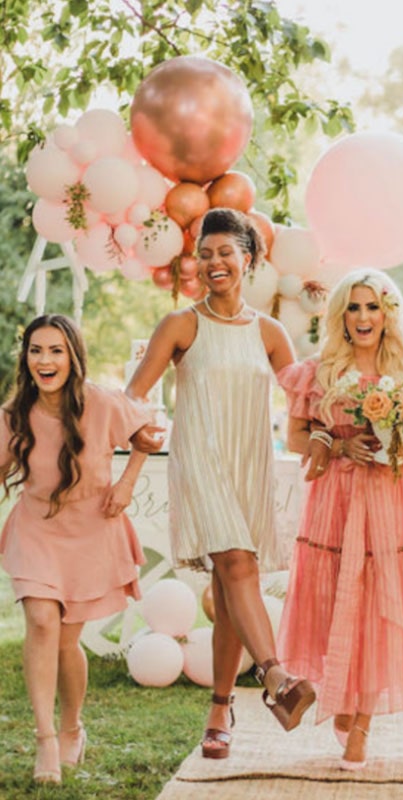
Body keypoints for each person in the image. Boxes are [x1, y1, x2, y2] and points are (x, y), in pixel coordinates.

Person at [126, 208, 314, 760]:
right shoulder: (181, 325)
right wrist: (134, 429)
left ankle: (219, 709)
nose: (214, 263)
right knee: (235, 562)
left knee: (234, 578)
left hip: (249, 463)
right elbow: (135, 395)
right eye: (205, 254)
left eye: (225, 252)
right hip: (200, 459)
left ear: (247, 259)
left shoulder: (270, 333)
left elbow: (304, 405)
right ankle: (276, 677)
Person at [277, 269, 403, 770]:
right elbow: (295, 438)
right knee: (334, 599)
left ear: (388, 314)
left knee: (381, 605)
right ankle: (344, 697)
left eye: (373, 307)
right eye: (354, 307)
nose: (363, 317)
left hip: (392, 499)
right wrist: (337, 444)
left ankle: (363, 725)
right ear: (341, 316)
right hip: (337, 497)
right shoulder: (318, 372)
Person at [0, 314, 153, 784]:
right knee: (42, 621)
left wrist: (126, 483)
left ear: (73, 357)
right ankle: (45, 739)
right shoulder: (14, 414)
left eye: (56, 350)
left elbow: (146, 433)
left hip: (91, 528)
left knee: (67, 641)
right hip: (37, 528)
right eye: (36, 350)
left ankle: (72, 727)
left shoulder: (101, 402)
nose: (45, 360)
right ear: (26, 359)